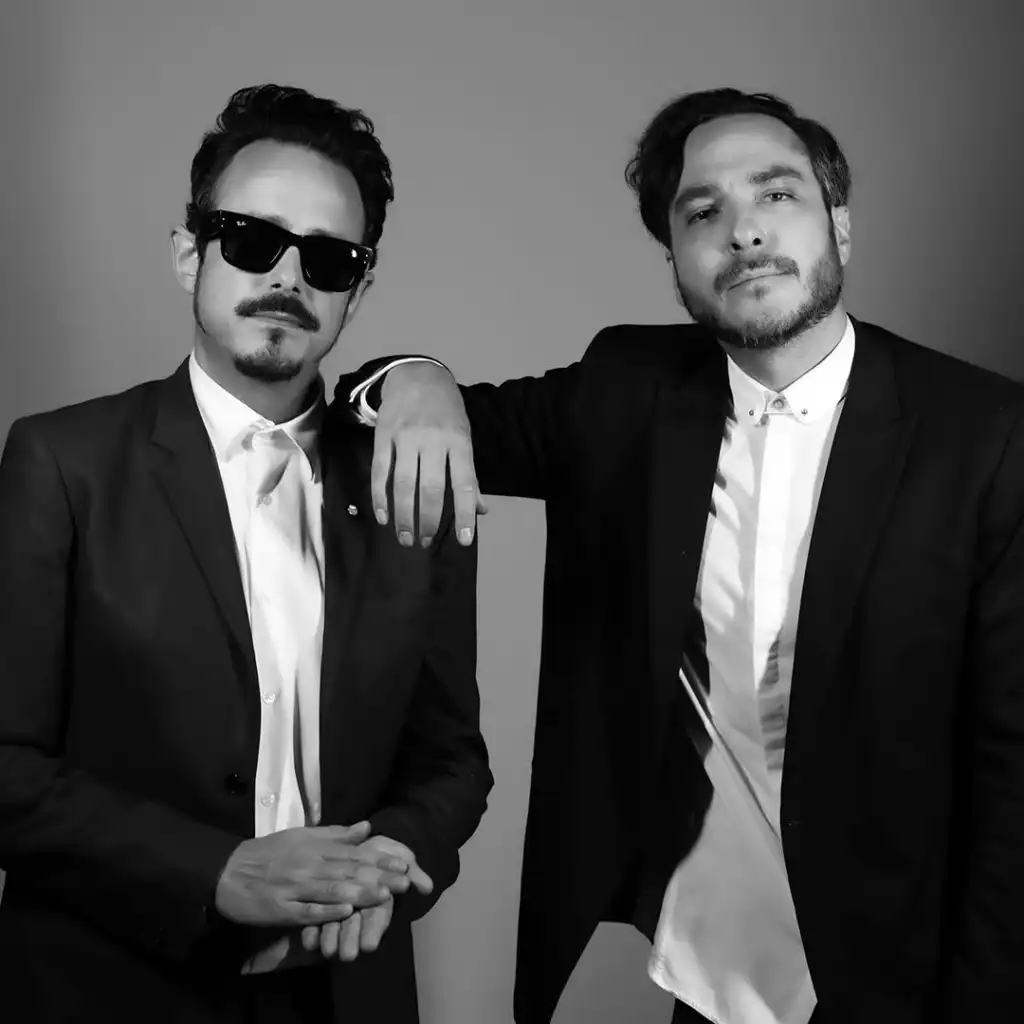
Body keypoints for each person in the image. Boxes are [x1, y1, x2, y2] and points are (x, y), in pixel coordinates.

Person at [335, 88, 1024, 1022]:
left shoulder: (986, 436)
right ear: (674, 261)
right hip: (712, 965)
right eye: (703, 212)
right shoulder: (627, 391)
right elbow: (386, 417)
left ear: (840, 226)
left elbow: (1011, 770)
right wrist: (414, 378)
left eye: (776, 194)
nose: (744, 231)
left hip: (904, 972)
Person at [0, 83, 491, 1024]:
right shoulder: (62, 462)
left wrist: (385, 865)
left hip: (345, 992)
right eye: (252, 240)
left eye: (329, 259)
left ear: (358, 289)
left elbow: (452, 760)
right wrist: (214, 871)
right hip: (107, 987)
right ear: (190, 253)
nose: (290, 278)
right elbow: (6, 766)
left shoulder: (414, 475)